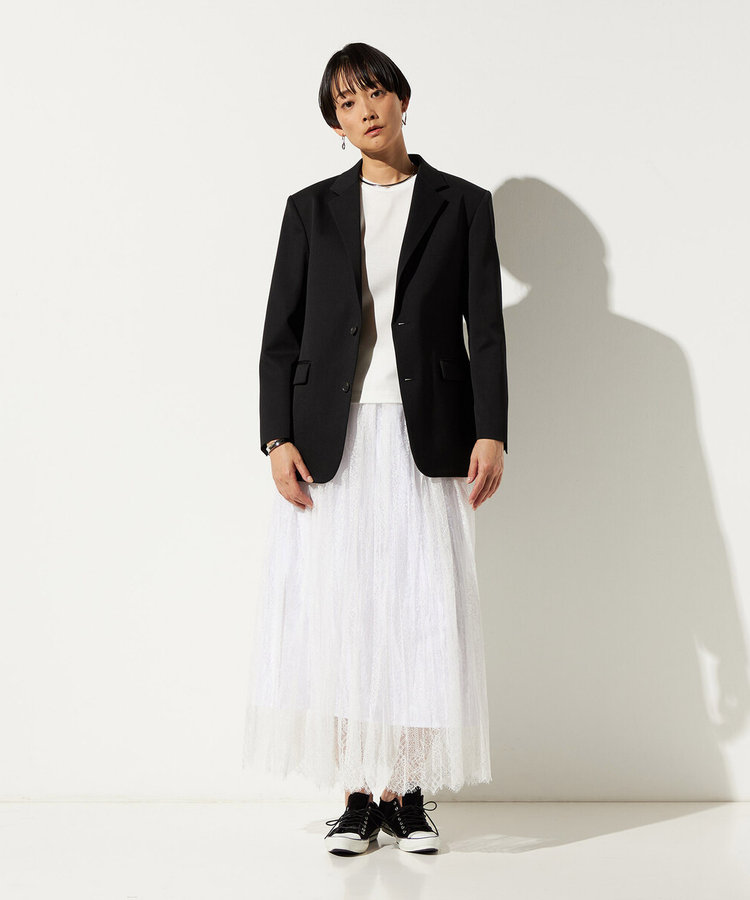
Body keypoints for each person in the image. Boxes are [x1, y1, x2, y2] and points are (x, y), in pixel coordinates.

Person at [242, 42, 508, 856]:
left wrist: (492, 428)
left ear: (401, 99)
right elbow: (280, 336)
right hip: (334, 438)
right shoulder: (309, 209)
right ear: (335, 122)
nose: (365, 109)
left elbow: (486, 331)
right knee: (345, 612)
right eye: (347, 101)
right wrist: (276, 437)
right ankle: (358, 795)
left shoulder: (463, 205)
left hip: (427, 433)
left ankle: (408, 795)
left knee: (421, 613)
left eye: (375, 92)